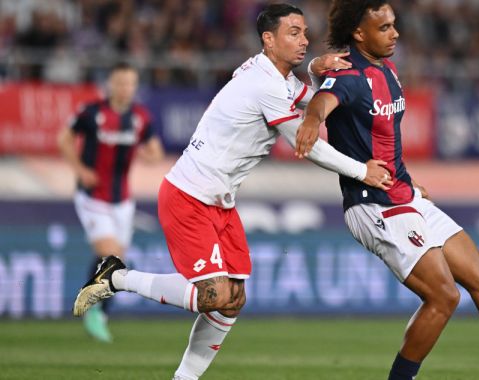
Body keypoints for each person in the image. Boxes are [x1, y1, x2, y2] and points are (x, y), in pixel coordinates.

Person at [71, 3, 391, 379]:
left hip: (220, 202)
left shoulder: (276, 76)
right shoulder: (265, 84)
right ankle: (115, 277)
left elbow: (306, 97)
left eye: (305, 32)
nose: (304, 40)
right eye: (294, 33)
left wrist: (314, 70)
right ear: (268, 40)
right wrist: (362, 171)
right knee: (212, 296)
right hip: (188, 195)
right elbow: (308, 145)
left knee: (232, 301)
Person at [295, 1, 479, 380]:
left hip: (403, 194)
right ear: (359, 33)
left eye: (394, 25)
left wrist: (407, 178)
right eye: (384, 27)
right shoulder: (349, 74)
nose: (395, 33)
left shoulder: (389, 69)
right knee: (443, 296)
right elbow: (322, 101)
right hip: (374, 205)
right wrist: (311, 121)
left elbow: (383, 139)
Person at [58, 62, 165, 343]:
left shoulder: (140, 117)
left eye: (130, 83)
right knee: (109, 254)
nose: (125, 88)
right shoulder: (92, 112)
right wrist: (81, 170)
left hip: (122, 199)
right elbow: (64, 139)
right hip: (93, 196)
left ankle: (99, 311)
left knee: (117, 261)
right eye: (120, 82)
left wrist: (148, 154)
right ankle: (93, 310)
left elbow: (155, 150)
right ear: (110, 84)